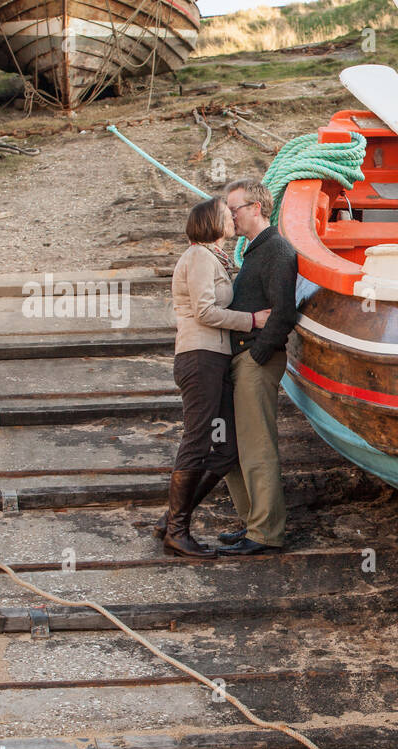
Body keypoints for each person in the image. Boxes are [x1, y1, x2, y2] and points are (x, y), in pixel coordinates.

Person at [162, 197, 268, 558]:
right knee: (197, 440)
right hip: (199, 358)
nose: (232, 218)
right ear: (211, 222)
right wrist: (253, 321)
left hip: (215, 360)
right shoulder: (198, 257)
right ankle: (177, 532)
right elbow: (205, 311)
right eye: (226, 214)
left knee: (227, 449)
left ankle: (173, 518)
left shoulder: (215, 258)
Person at [216, 179, 300, 557]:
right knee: (235, 447)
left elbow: (284, 311)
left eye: (234, 208)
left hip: (254, 359)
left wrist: (258, 354)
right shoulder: (253, 252)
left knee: (257, 447)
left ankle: (266, 533)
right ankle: (253, 523)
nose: (229, 215)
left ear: (256, 208)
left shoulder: (277, 249)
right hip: (242, 358)